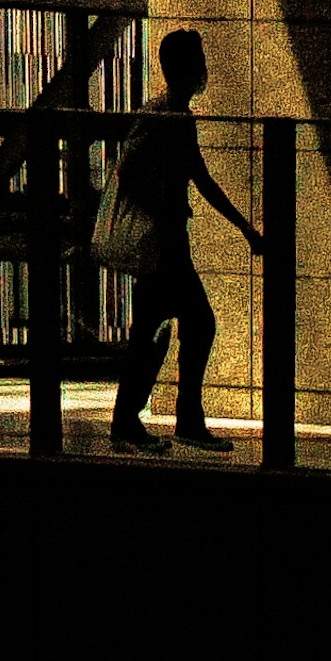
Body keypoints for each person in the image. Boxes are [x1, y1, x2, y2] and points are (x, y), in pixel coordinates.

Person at [102, 27, 264, 459]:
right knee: (190, 324)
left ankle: (135, 420)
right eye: (199, 62)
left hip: (170, 243)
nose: (204, 71)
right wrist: (166, 205)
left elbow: (200, 177)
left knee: (159, 331)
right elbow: (130, 173)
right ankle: (170, 420)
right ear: (186, 69)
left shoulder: (176, 115)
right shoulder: (163, 117)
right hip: (163, 245)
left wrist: (243, 227)